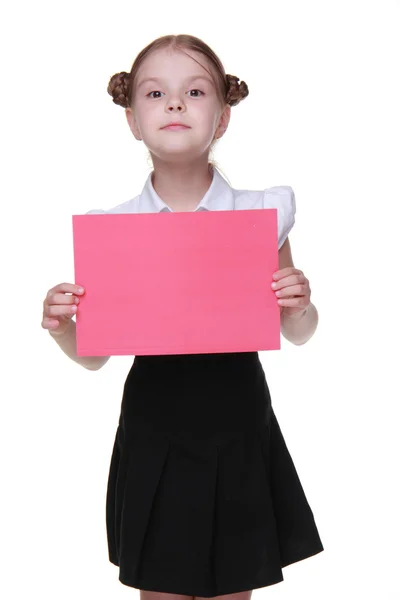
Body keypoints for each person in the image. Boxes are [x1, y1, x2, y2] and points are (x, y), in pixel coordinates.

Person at [42, 34, 323, 600]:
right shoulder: (113, 230)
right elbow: (95, 357)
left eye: (194, 91)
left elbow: (296, 331)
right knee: (162, 588)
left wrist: (300, 302)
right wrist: (64, 327)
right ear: (131, 118)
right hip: (156, 421)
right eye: (156, 93)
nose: (174, 104)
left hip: (238, 418)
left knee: (232, 586)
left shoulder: (258, 214)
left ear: (221, 118)